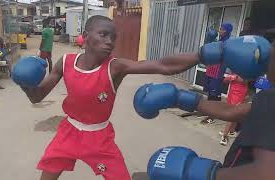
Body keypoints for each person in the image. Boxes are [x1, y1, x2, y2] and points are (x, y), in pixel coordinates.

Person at [16, 15, 205, 180]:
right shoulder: (66, 62)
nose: (110, 42)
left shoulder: (115, 67)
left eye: (113, 37)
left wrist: (203, 55)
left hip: (99, 138)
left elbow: (162, 65)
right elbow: (37, 97)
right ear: (86, 35)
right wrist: (25, 83)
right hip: (68, 133)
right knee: (47, 174)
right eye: (103, 34)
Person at [133, 39, 275, 179]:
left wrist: (203, 174)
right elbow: (234, 112)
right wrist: (180, 98)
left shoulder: (269, 99)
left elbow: (266, 174)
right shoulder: (267, 99)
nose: (268, 53)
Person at [201, 23, 233, 125]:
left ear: (227, 31)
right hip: (211, 69)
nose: (220, 31)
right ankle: (209, 112)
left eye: (222, 29)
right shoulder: (219, 41)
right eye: (220, 29)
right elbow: (209, 50)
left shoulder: (227, 43)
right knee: (210, 92)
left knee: (215, 94)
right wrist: (209, 39)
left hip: (217, 71)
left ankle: (213, 115)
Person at [219, 73, 248, 146]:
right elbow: (225, 80)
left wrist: (236, 77)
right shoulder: (235, 68)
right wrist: (231, 77)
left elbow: (245, 80)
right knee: (234, 112)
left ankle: (224, 136)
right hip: (231, 92)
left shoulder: (246, 69)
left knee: (231, 113)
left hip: (239, 94)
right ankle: (232, 131)